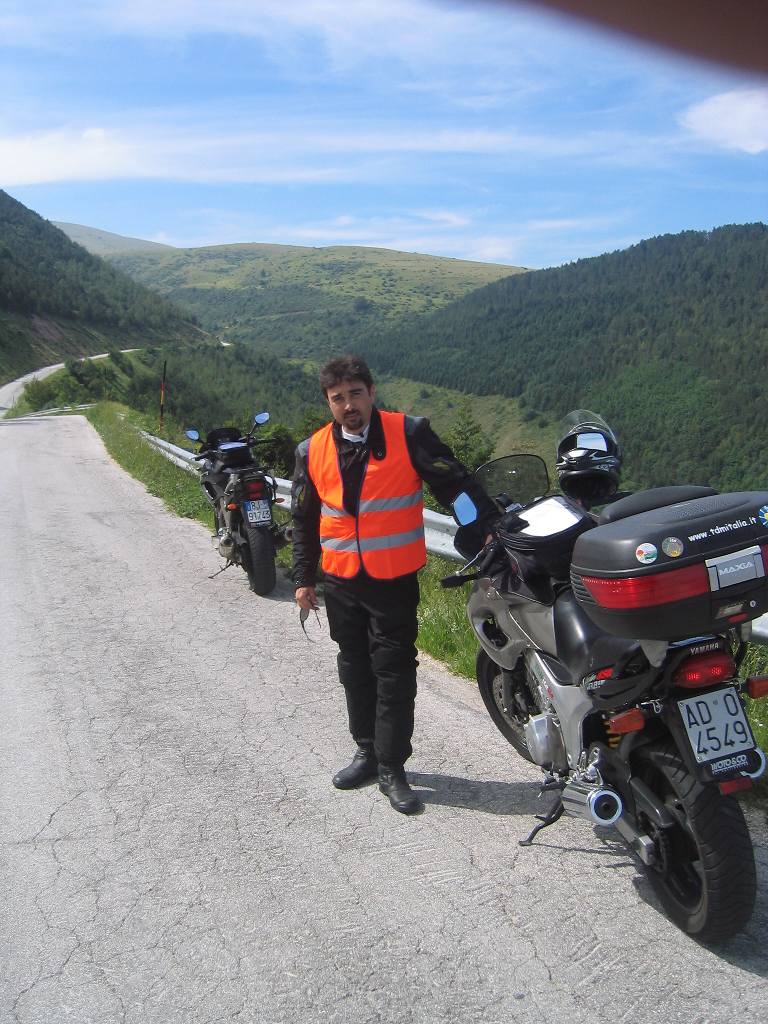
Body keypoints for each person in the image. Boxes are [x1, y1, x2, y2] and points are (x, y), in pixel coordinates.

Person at [291, 355, 498, 814]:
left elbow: (455, 486)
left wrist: (483, 528)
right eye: (338, 398)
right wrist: (304, 577)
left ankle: (392, 767)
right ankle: (365, 752)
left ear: (372, 392)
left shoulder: (409, 433)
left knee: (394, 671)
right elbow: (304, 518)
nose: (349, 406)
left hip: (393, 581)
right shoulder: (311, 450)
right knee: (353, 667)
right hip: (341, 581)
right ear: (328, 402)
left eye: (356, 394)